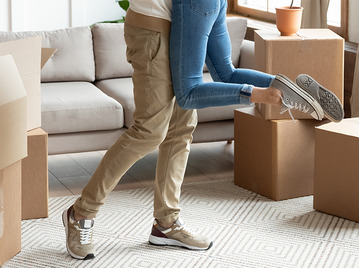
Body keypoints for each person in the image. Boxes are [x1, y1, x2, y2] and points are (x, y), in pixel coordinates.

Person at [62, 0, 343, 261]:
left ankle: (166, 223)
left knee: (182, 128)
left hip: (191, 12)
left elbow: (221, 77)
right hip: (154, 25)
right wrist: (256, 94)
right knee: (149, 130)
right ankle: (81, 213)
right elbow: (193, 92)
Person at [168, 0, 344, 122]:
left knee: (187, 94)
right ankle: (290, 88)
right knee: (227, 74)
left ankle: (268, 94)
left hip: (193, 5)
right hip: (215, 3)